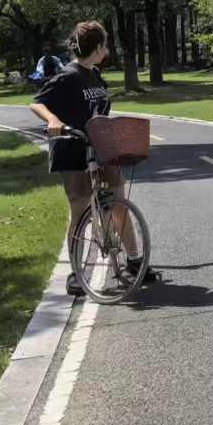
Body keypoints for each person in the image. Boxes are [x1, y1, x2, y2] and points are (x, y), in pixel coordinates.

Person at [29, 22, 160, 298]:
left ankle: (134, 261)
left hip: (101, 146)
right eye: (105, 45)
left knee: (118, 202)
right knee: (79, 210)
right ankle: (76, 273)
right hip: (71, 147)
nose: (107, 50)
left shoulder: (95, 75)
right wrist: (53, 120)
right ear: (98, 47)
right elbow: (37, 102)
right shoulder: (68, 75)